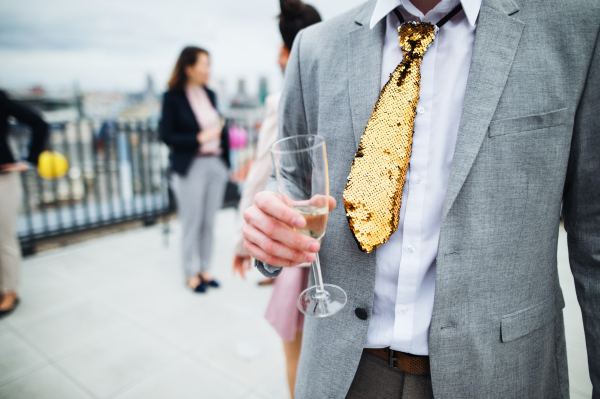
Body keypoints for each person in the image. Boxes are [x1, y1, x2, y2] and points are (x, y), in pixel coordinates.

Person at [241, 0, 600, 397]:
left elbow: (594, 229)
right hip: (346, 372)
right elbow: (288, 176)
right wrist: (271, 228)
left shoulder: (579, 27)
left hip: (503, 375)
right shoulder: (314, 46)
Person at [231, 1, 321, 396]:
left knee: (296, 353)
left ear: (287, 52)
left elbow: (262, 179)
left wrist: (242, 241)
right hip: (330, 233)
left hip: (299, 237)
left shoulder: (280, 99)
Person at [160, 47, 230, 293]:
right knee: (192, 222)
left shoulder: (209, 93)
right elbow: (166, 135)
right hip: (191, 165)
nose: (209, 70)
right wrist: (198, 137)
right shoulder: (173, 97)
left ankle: (205, 269)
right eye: (205, 64)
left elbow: (222, 126)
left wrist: (226, 164)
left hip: (215, 164)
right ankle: (190, 273)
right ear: (189, 68)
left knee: (209, 222)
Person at [0, 90, 48, 316]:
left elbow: (39, 123)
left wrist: (29, 161)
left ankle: (10, 291)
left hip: (3, 178)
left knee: (4, 239)